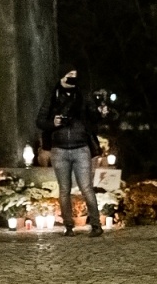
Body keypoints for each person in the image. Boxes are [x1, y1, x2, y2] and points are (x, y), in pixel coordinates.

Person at [35, 67, 106, 236]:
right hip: (59, 149)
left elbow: (93, 118)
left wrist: (101, 113)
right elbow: (40, 121)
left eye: (75, 77)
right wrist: (54, 123)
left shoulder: (83, 96)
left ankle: (96, 225)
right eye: (69, 77)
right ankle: (68, 226)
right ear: (61, 77)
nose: (72, 80)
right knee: (64, 190)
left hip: (81, 148)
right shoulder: (53, 96)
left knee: (86, 187)